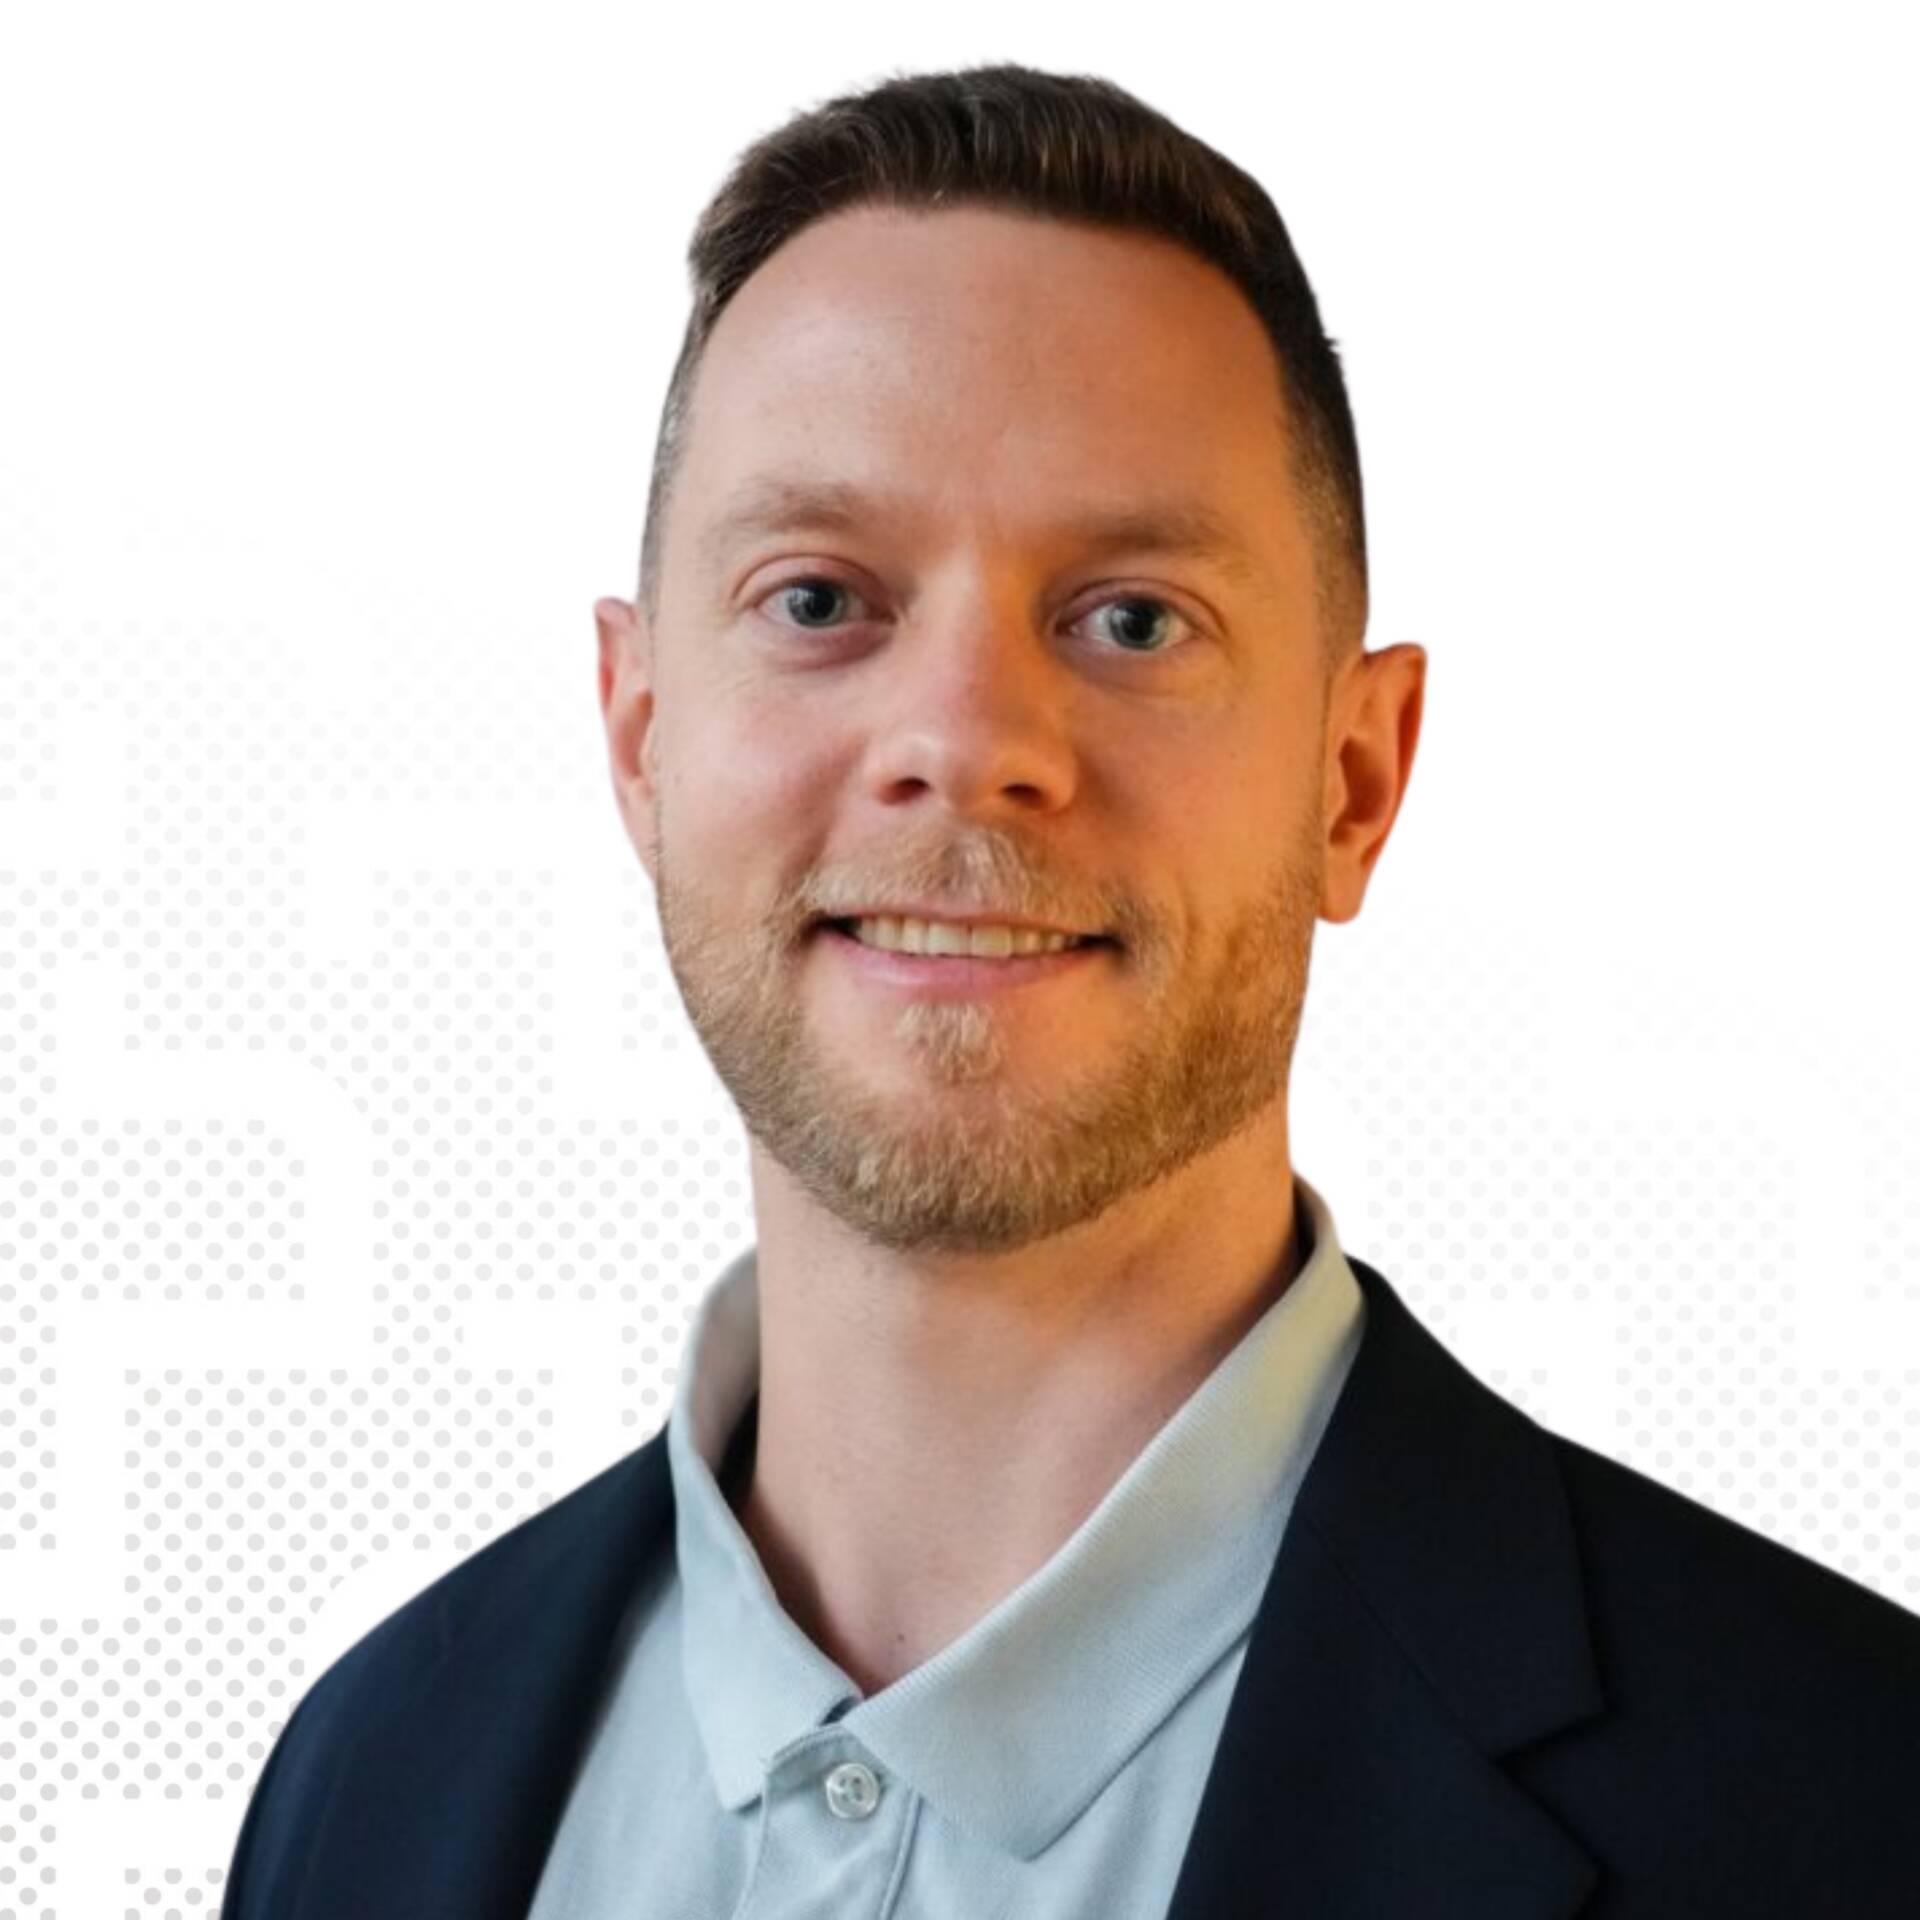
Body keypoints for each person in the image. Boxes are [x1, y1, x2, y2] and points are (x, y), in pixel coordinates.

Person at [221, 60, 1920, 1920]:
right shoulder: (363, 1779)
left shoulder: (1847, 1803)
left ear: (1356, 780)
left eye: (1131, 619)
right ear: (639, 741)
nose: (964, 743)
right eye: (817, 599)